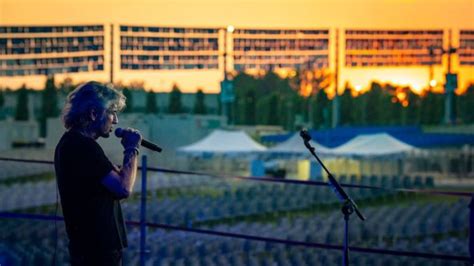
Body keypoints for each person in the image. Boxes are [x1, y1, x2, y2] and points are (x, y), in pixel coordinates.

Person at [54, 81, 142, 266]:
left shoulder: (74, 144)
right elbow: (123, 188)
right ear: (94, 114)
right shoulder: (82, 147)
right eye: (112, 112)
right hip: (96, 251)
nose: (116, 120)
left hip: (92, 248)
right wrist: (132, 149)